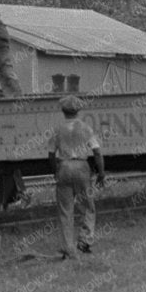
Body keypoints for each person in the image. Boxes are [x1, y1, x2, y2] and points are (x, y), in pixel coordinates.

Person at [45, 94, 107, 259]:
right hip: (81, 168)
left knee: (65, 210)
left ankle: (67, 248)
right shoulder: (86, 128)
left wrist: (55, 171)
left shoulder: (57, 130)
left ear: (63, 111)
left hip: (64, 167)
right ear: (78, 110)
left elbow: (51, 154)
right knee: (88, 206)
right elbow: (97, 152)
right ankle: (84, 241)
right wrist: (101, 173)